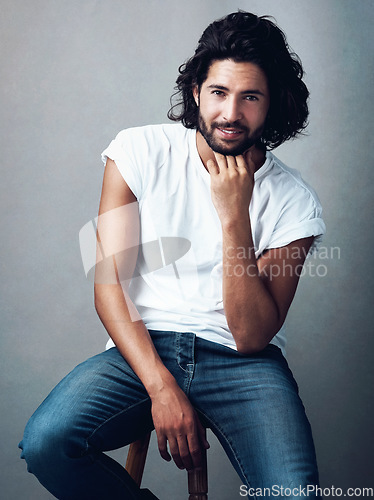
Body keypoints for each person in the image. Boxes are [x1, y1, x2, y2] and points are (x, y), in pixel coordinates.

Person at [19, 11, 326, 499]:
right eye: (219, 92)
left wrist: (234, 215)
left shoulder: (296, 203)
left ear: (272, 106)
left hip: (243, 364)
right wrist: (162, 387)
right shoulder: (137, 153)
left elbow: (250, 336)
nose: (231, 113)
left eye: (251, 97)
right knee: (46, 443)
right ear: (197, 92)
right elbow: (108, 287)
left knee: (295, 495)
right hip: (143, 346)